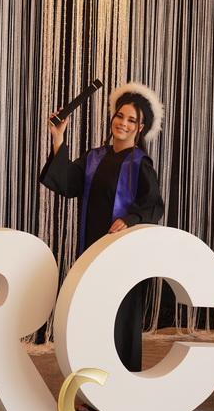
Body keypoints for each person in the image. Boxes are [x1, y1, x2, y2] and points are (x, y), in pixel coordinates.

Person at [39, 82, 165, 373]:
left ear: (140, 127)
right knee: (93, 311)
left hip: (123, 254)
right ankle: (93, 379)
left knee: (120, 314)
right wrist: (58, 138)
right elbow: (67, 183)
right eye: (120, 116)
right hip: (91, 248)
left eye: (131, 120)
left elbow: (153, 205)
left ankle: (122, 382)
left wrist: (130, 219)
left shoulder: (140, 164)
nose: (123, 123)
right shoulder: (94, 157)